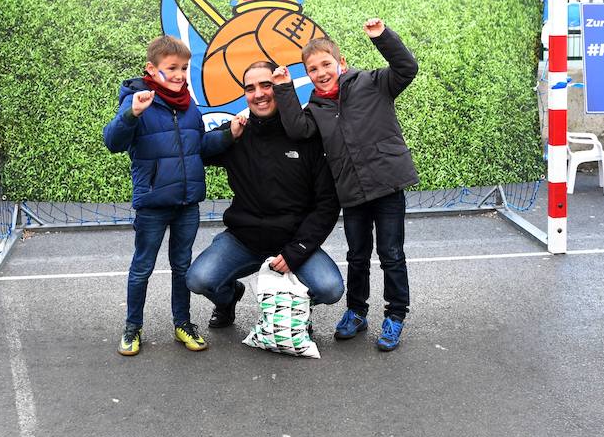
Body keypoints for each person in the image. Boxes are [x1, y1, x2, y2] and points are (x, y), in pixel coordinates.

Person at [271, 18, 419, 351]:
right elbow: (296, 129)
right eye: (312, 69)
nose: (321, 72)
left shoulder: (373, 82)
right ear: (307, 75)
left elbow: (407, 67)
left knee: (391, 254)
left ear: (341, 64)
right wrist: (282, 88)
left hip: (387, 185)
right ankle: (356, 311)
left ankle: (395, 315)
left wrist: (381, 37)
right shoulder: (316, 107)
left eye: (326, 64)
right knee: (357, 256)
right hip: (351, 192)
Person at [103, 35, 238, 357]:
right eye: (171, 68)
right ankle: (132, 326)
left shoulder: (189, 105)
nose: (179, 74)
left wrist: (228, 136)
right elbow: (113, 142)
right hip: (152, 205)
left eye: (183, 68)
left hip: (187, 204)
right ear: (152, 69)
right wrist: (130, 115)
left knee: (182, 267)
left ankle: (183, 323)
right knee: (142, 268)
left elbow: (199, 148)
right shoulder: (137, 101)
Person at [186, 61, 344, 330]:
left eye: (266, 85)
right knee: (199, 280)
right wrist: (227, 136)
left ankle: (292, 309)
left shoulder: (305, 134)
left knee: (330, 289)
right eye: (250, 88)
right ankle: (228, 298)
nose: (259, 93)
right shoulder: (236, 131)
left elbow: (327, 203)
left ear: (279, 87)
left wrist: (298, 250)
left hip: (292, 244)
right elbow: (197, 152)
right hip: (243, 240)